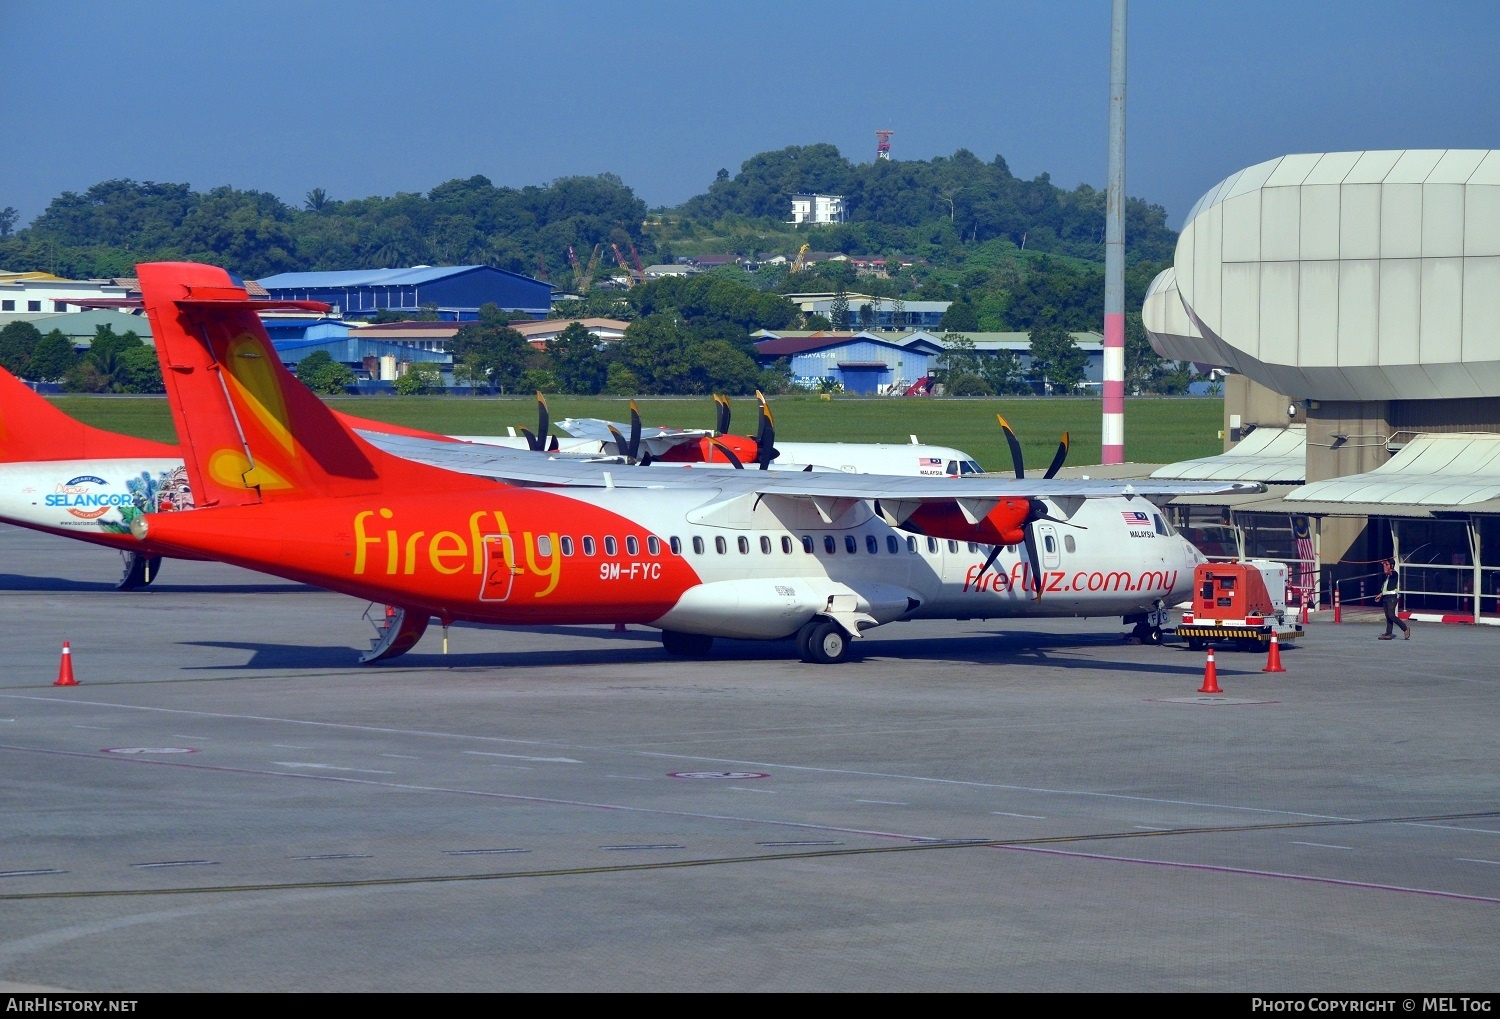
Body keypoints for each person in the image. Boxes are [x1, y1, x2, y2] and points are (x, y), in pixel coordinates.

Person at [1379, 560, 1411, 640]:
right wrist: (1381, 594)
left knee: (1391, 615)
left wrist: (1385, 566)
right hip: (1386, 596)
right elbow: (1386, 586)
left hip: (1392, 597)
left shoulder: (1394, 573)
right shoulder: (1387, 576)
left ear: (1391, 565)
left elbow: (1387, 571)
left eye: (1387, 564)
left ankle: (1405, 628)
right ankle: (1388, 633)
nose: (1385, 565)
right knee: (1388, 616)